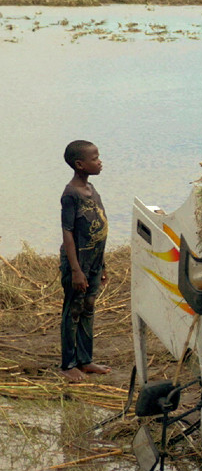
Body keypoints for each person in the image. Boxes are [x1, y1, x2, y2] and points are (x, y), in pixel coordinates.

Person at [59, 140, 111, 382]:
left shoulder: (93, 190)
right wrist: (76, 270)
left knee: (88, 308)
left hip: (94, 262)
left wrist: (102, 265)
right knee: (73, 310)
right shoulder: (71, 194)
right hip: (78, 263)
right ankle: (68, 364)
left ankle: (85, 360)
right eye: (95, 158)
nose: (99, 161)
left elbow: (98, 227)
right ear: (80, 164)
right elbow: (68, 232)